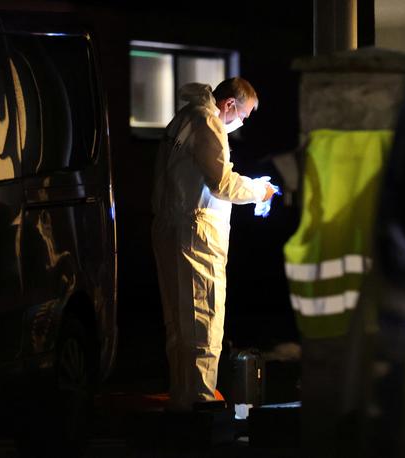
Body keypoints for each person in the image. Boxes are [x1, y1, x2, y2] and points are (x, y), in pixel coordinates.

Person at [151, 77, 276, 411]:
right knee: (204, 320)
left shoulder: (184, 118)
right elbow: (221, 183)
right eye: (243, 115)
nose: (241, 123)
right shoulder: (207, 121)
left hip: (171, 228)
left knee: (179, 325)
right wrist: (258, 191)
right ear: (230, 104)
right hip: (198, 232)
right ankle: (201, 406)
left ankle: (182, 402)